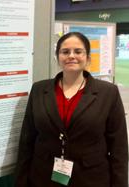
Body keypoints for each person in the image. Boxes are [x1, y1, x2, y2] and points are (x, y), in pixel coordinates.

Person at [15, 32, 128, 187]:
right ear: (57, 57)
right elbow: (27, 141)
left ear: (88, 58)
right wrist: (21, 181)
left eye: (78, 51)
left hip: (90, 179)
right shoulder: (39, 89)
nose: (71, 56)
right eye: (65, 52)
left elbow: (119, 148)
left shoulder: (108, 93)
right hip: (43, 177)